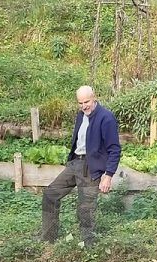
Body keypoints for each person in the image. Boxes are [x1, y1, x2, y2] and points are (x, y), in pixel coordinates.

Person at [41, 85, 121, 247]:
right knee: (50, 194)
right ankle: (48, 238)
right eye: (80, 103)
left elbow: (115, 149)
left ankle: (88, 245)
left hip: (91, 168)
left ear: (94, 98)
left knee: (85, 209)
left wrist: (108, 175)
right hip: (75, 163)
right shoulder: (81, 115)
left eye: (87, 102)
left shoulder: (106, 118)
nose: (84, 106)